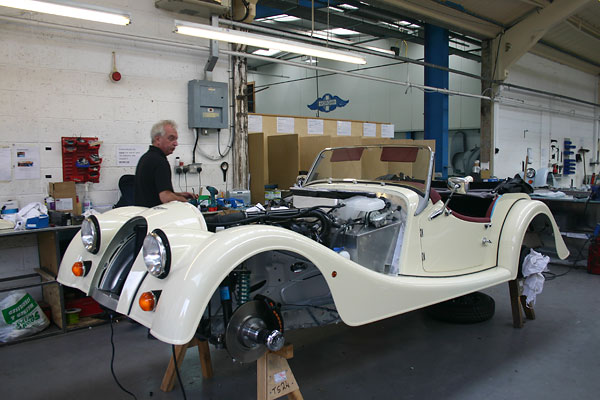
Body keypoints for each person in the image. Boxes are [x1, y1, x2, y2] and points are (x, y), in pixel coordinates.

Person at [134, 120, 195, 207]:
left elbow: (153, 192)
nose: (176, 143)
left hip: (144, 215)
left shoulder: (146, 158)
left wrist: (178, 195)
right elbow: (166, 197)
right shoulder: (160, 161)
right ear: (158, 139)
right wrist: (186, 203)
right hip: (156, 216)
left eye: (176, 139)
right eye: (171, 138)